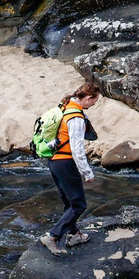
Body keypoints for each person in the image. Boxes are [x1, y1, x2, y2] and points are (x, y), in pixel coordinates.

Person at [38, 81, 102, 256]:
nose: (92, 105)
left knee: (69, 202)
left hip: (53, 160)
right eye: (94, 102)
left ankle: (73, 235)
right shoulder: (76, 117)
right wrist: (87, 172)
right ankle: (52, 236)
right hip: (65, 162)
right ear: (88, 98)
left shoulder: (65, 105)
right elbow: (77, 149)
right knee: (79, 205)